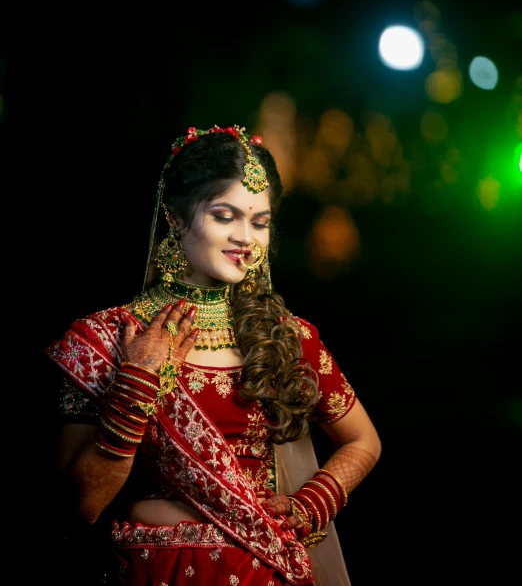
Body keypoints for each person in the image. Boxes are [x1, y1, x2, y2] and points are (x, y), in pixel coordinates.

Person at [44, 123, 382, 586]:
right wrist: (135, 383)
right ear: (177, 216)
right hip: (149, 573)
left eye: (260, 223)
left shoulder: (283, 337)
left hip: (262, 570)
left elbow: (364, 440)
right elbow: (81, 507)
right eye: (225, 216)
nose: (246, 238)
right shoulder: (105, 337)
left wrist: (309, 505)